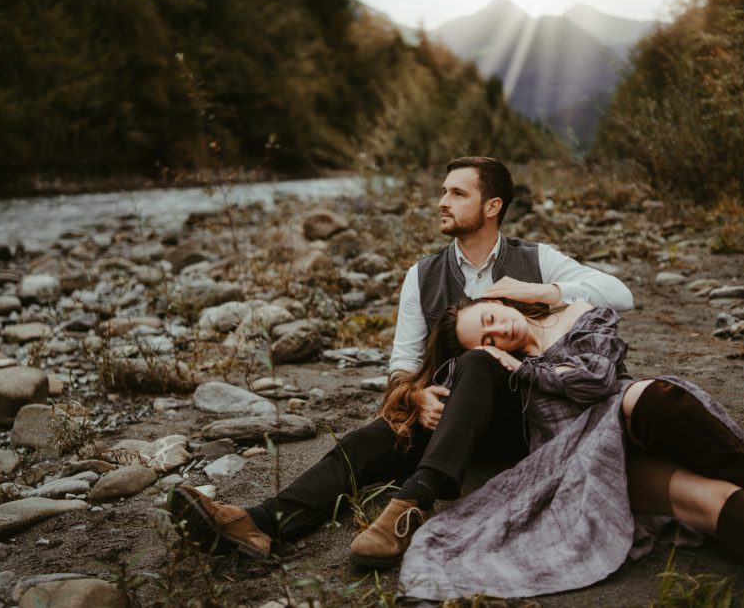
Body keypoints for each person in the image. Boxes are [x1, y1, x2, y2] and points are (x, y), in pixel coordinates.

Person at [169, 156, 634, 566]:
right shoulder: (423, 275)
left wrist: (540, 290)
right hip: (458, 422)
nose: (442, 202)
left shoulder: (536, 260)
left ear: (492, 206)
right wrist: (415, 394)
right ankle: (261, 523)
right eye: (442, 191)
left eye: (457, 193)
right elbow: (402, 365)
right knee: (374, 436)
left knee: (478, 362)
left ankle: (411, 503)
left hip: (529, 419)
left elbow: (620, 294)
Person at [396, 296, 744, 607]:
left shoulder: (578, 316)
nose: (497, 334)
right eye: (487, 340)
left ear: (500, 301)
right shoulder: (501, 377)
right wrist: (422, 394)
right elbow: (450, 395)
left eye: (490, 318)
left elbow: (596, 381)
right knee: (709, 501)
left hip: (637, 418)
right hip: (586, 461)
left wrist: (524, 359)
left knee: (649, 395)